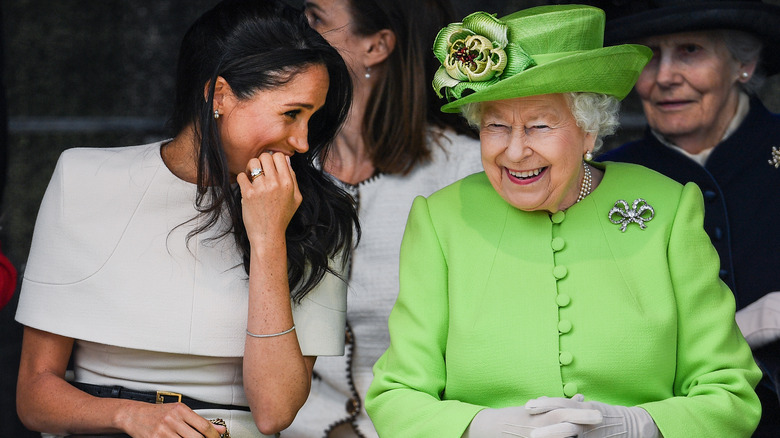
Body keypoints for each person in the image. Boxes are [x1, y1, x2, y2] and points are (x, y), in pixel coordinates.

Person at [366, 5, 762, 437]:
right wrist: (480, 427)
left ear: (589, 130)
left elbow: (731, 392)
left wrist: (642, 426)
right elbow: (396, 395)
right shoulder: (442, 219)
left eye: (538, 126)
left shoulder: (668, 208)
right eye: (496, 126)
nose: (515, 152)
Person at [14, 0, 358, 437]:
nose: (304, 142)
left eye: (313, 117)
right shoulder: (83, 178)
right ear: (219, 95)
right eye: (291, 113)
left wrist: (269, 236)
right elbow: (34, 394)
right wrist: (127, 415)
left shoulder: (318, 214)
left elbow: (274, 412)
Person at [283, 0, 482, 436]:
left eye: (316, 19)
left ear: (376, 45)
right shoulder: (287, 162)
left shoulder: (466, 172)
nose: (293, 30)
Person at [591, 1, 780, 435]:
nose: (665, 77)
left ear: (743, 64)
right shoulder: (603, 179)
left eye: (690, 50)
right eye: (649, 56)